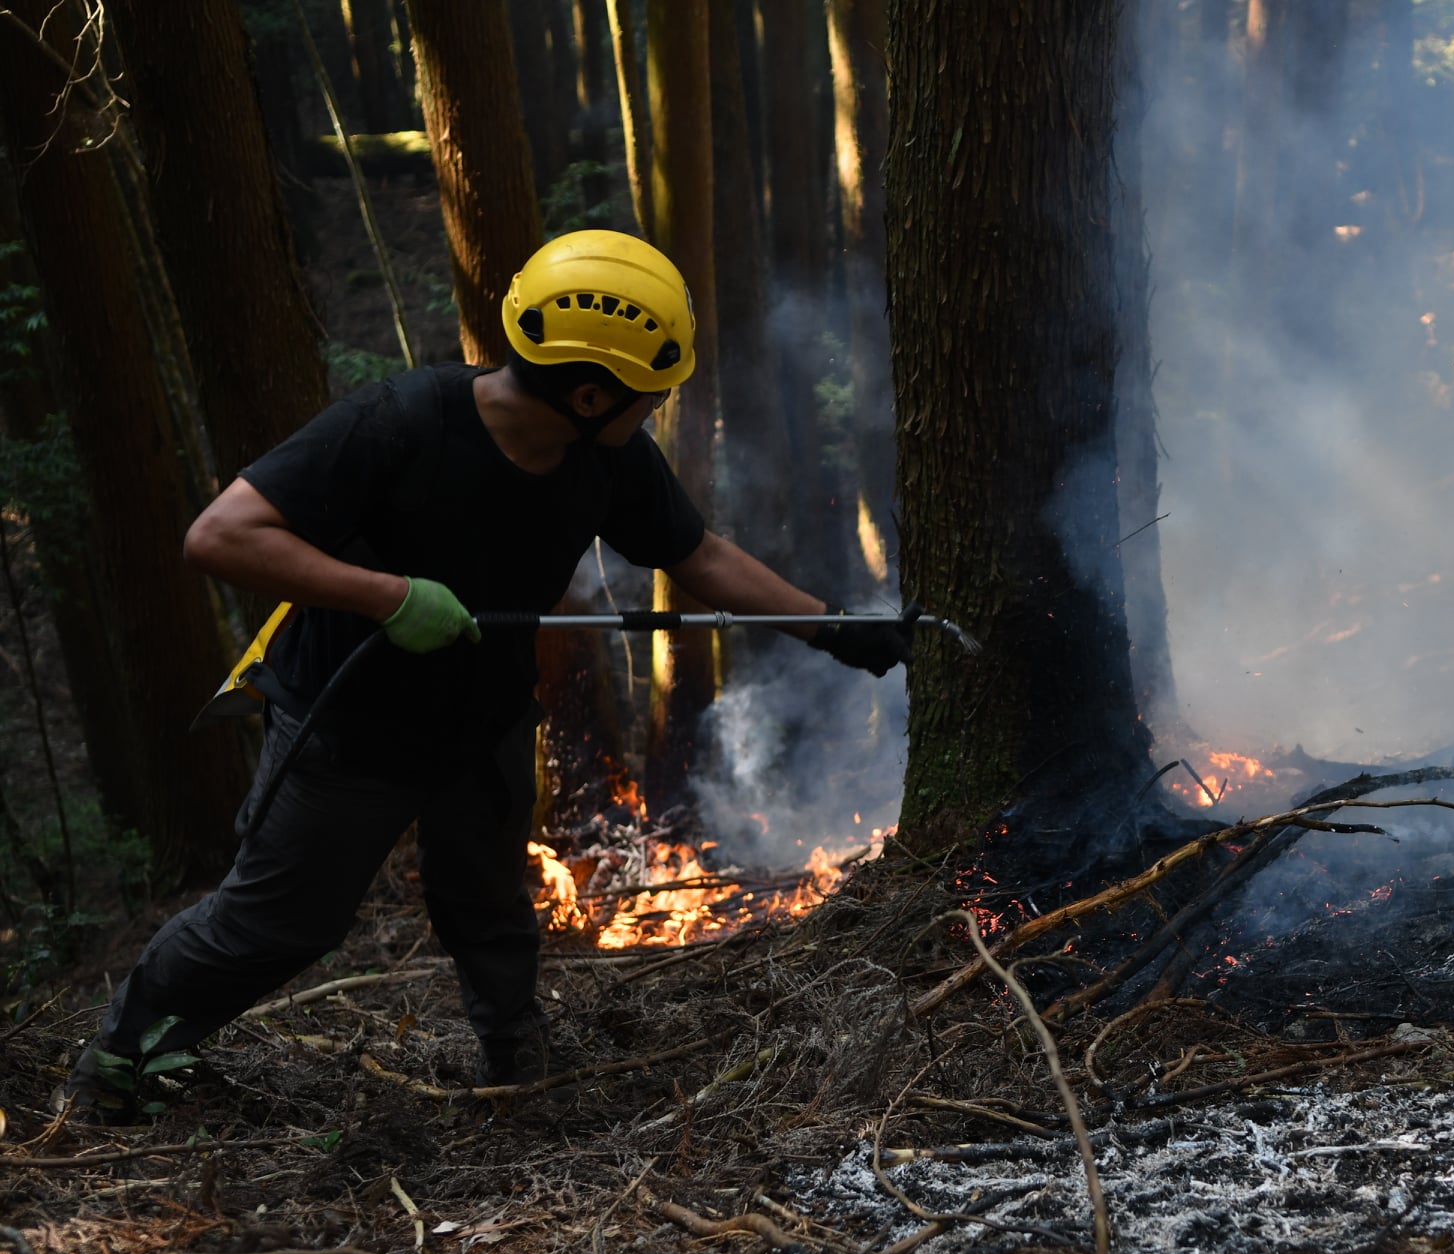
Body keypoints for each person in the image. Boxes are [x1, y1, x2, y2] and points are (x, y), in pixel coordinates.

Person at [62, 231, 911, 1120]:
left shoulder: (606, 455)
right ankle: (120, 1060)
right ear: (588, 394)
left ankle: (516, 1057)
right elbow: (220, 536)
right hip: (350, 723)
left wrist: (836, 630)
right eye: (651, 393)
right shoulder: (400, 423)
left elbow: (694, 554)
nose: (659, 406)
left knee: (490, 901)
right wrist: (387, 596)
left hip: (485, 719)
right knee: (279, 924)